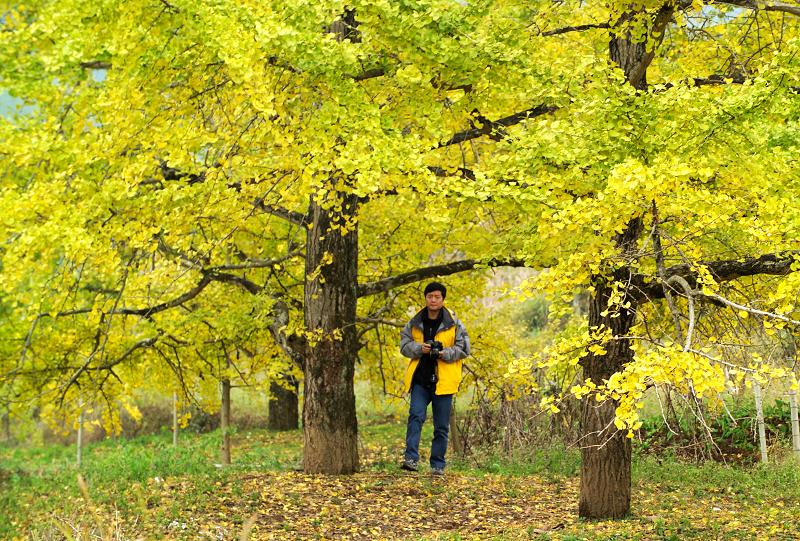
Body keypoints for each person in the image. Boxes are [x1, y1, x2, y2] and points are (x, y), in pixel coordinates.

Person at [399, 281, 470, 476]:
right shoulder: (414, 322)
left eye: (437, 296)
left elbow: (464, 349)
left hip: (444, 381)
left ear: (443, 299)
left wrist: (443, 353)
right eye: (430, 296)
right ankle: (411, 459)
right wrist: (419, 348)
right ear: (425, 298)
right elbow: (404, 345)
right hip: (420, 380)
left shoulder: (454, 323)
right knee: (415, 417)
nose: (433, 300)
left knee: (441, 426)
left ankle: (437, 465)